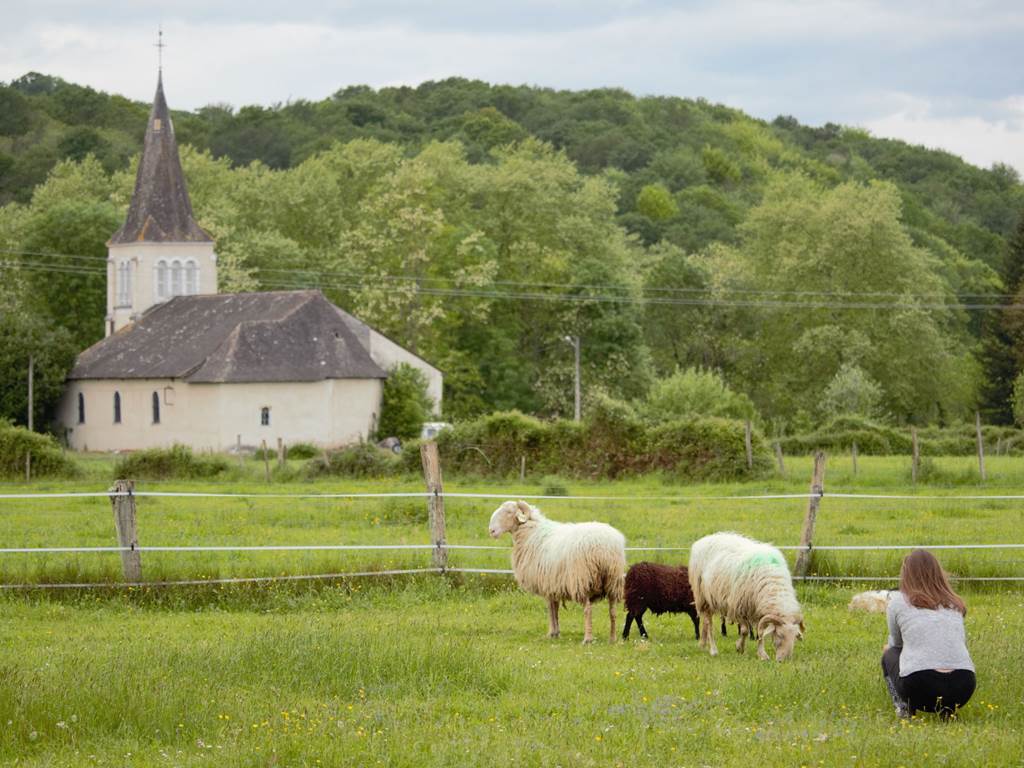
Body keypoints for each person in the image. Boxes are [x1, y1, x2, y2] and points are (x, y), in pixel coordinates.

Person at [881, 549, 976, 720]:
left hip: (920, 685)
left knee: (889, 653)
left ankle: (904, 709)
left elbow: (896, 643)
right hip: (964, 685)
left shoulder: (898, 602)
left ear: (906, 574)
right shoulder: (954, 603)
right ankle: (947, 712)